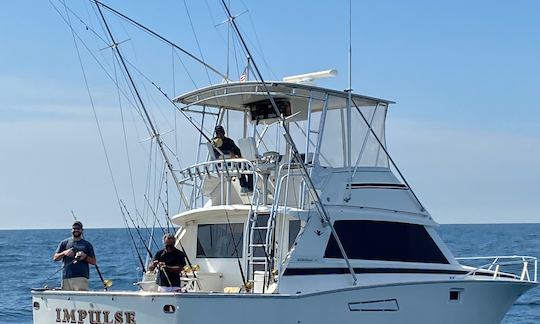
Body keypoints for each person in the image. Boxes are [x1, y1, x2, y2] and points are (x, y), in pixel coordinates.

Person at [53, 221, 96, 291]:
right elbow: (55, 258)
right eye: (74, 228)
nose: (76, 230)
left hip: (81, 277)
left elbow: (94, 262)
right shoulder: (64, 243)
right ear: (71, 230)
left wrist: (84, 256)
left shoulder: (87, 245)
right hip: (66, 277)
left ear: (82, 230)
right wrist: (64, 252)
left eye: (78, 228)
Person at [212, 125, 253, 192]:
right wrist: (228, 153)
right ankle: (243, 186)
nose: (220, 134)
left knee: (249, 167)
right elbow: (216, 153)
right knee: (240, 167)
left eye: (221, 132)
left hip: (234, 161)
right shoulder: (214, 143)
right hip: (223, 163)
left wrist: (241, 156)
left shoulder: (229, 141)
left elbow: (237, 150)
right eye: (218, 133)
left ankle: (250, 187)